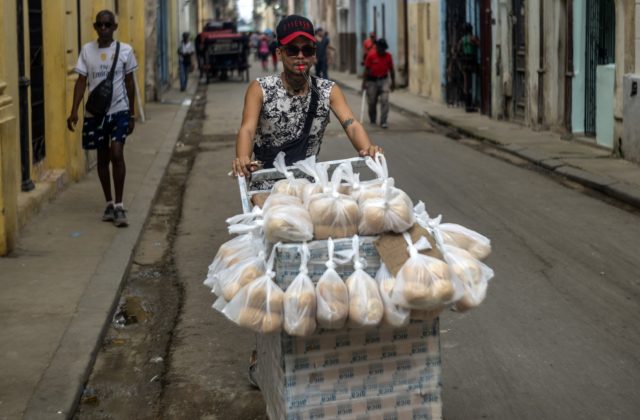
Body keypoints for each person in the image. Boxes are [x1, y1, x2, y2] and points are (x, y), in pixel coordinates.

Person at [231, 15, 382, 184]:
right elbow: (247, 130)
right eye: (292, 50)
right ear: (279, 53)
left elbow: (352, 125)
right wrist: (242, 157)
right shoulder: (260, 89)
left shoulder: (328, 90)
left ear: (314, 54)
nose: (300, 56)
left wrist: (367, 148)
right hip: (266, 186)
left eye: (307, 50)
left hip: (310, 185)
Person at [66, 10, 137, 227]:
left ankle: (119, 205)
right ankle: (108, 202)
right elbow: (81, 81)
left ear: (115, 27)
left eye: (108, 25)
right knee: (102, 156)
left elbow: (129, 82)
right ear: (95, 27)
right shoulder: (87, 51)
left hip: (120, 110)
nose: (104, 29)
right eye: (100, 25)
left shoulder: (125, 51)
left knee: (117, 152)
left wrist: (132, 113)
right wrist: (74, 111)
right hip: (95, 113)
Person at [362, 38, 395, 129]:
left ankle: (383, 121)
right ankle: (373, 118)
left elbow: (391, 70)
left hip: (384, 80)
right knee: (372, 101)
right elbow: (366, 70)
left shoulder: (388, 56)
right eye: (379, 48)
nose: (381, 50)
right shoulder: (371, 56)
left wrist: (393, 83)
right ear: (377, 48)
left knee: (385, 100)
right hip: (372, 81)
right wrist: (364, 83)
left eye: (383, 49)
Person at [457, 23, 480, 112]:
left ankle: (468, 105)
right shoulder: (472, 38)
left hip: (464, 62)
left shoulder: (462, 40)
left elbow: (458, 50)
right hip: (472, 61)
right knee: (478, 76)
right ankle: (473, 103)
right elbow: (479, 45)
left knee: (466, 84)